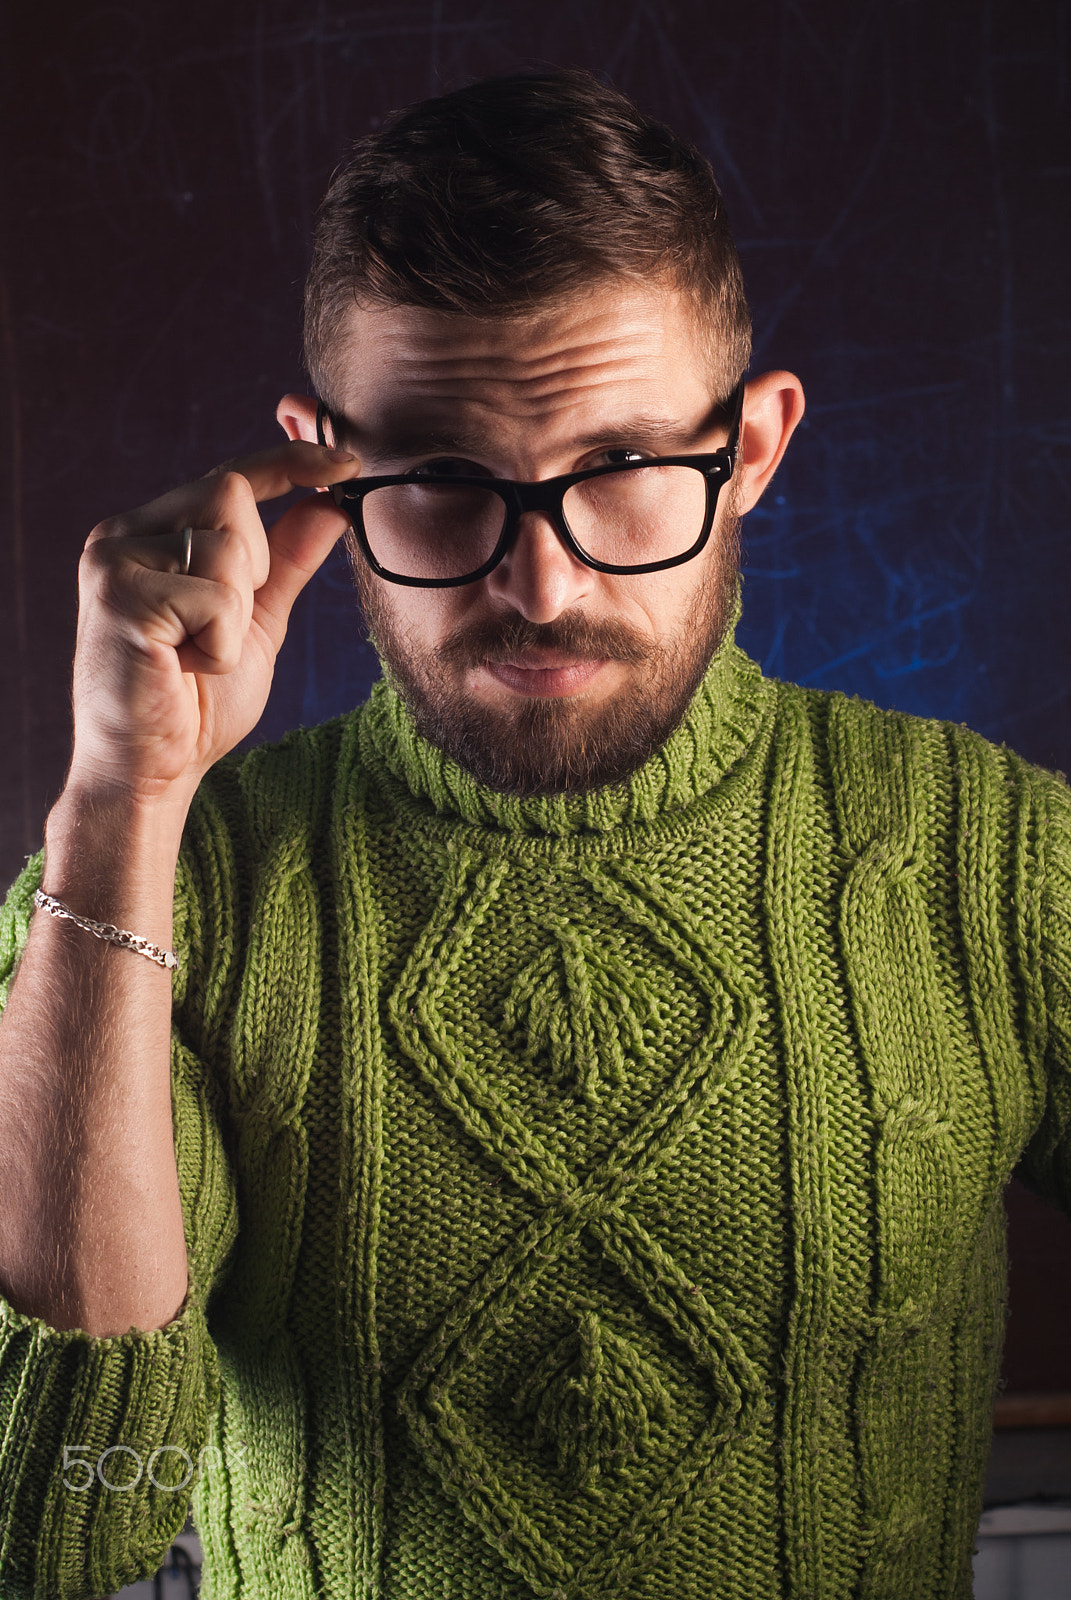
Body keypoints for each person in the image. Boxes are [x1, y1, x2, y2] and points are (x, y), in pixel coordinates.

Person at [0, 67, 1067, 1600]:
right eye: (441, 481)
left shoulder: (987, 858)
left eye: (624, 472)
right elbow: (59, 1521)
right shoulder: (167, 887)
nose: (543, 585)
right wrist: (120, 807)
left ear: (753, 449)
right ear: (318, 462)